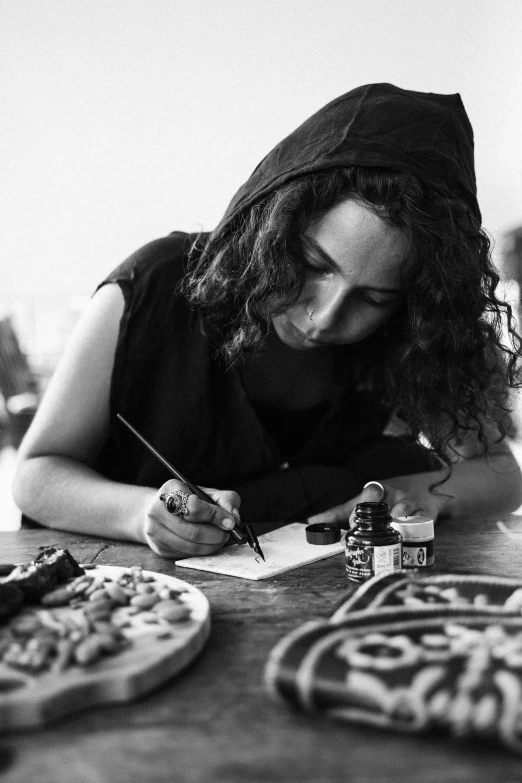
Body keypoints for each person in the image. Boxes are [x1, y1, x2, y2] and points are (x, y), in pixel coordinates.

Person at [12, 83, 522, 559]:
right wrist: (136, 514)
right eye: (313, 264)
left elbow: (501, 478)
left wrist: (410, 492)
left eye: (375, 298)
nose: (324, 317)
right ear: (274, 226)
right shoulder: (153, 286)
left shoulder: (425, 335)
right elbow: (35, 475)